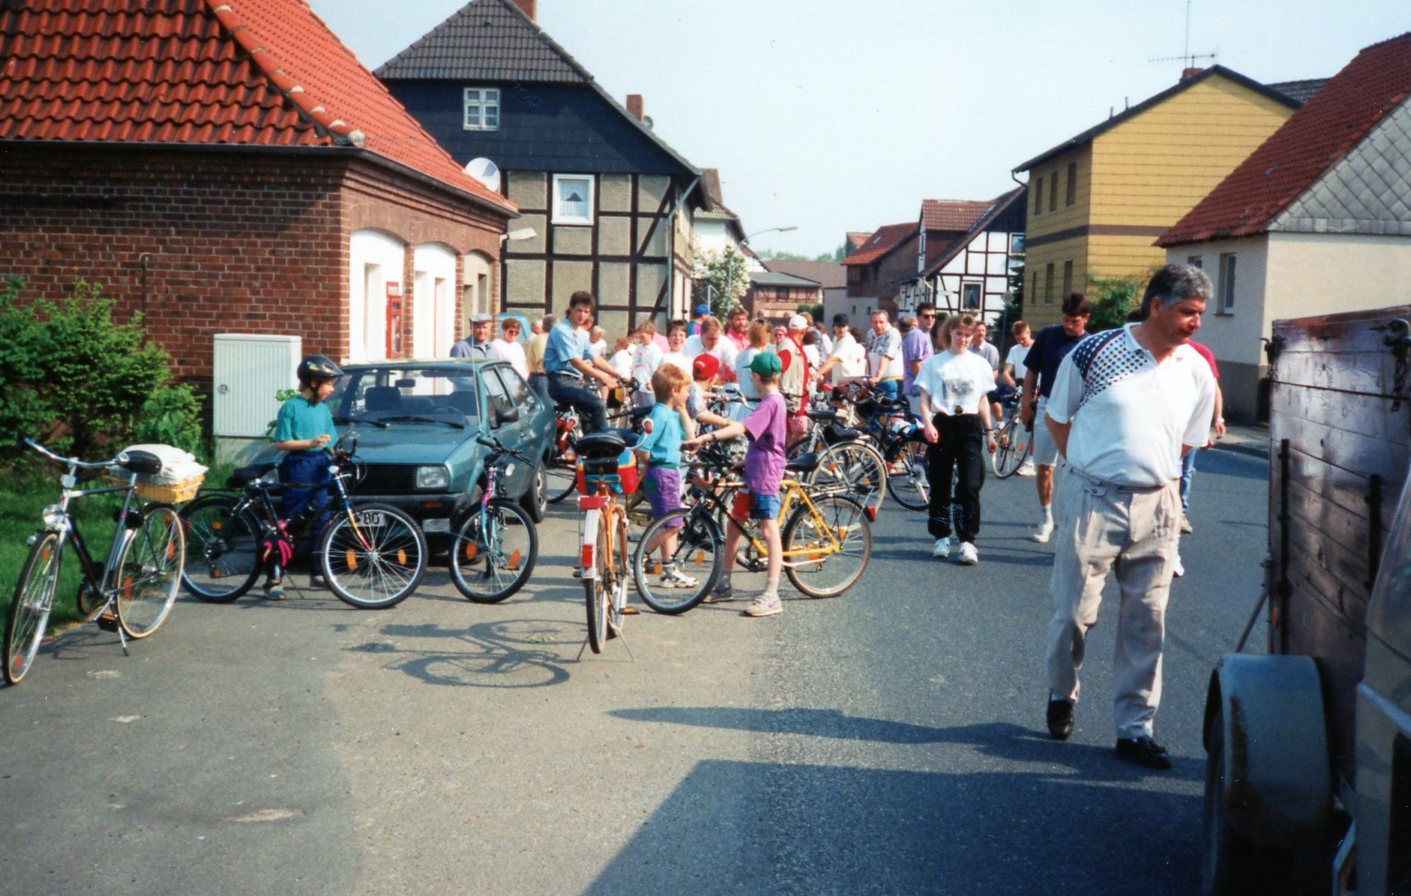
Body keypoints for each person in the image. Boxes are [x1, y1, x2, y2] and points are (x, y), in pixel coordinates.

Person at [1041, 264, 1217, 770]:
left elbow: (1190, 438)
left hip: (1158, 505)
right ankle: (1062, 692)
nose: (1196, 323)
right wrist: (1087, 466)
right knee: (1073, 613)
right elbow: (1057, 417)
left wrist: (1154, 470)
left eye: (1201, 313)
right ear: (1157, 305)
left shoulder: (1196, 368)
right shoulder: (1095, 352)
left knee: (1148, 621)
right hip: (1093, 498)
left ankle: (1135, 728)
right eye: (1188, 312)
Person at [683, 351, 789, 617]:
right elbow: (764, 439)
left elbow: (741, 428)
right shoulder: (771, 400)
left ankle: (772, 593)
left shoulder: (771, 403)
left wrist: (705, 439)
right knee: (735, 523)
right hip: (754, 468)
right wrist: (745, 462)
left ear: (755, 376)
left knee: (768, 528)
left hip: (765, 473)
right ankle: (724, 584)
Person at [915, 314, 998, 565]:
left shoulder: (979, 364)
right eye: (959, 334)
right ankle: (941, 537)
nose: (963, 339)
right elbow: (924, 399)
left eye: (967, 335)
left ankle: (967, 541)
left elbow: (982, 400)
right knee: (940, 483)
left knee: (969, 485)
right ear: (950, 333)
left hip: (970, 426)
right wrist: (928, 424)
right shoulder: (934, 363)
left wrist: (989, 431)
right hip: (943, 424)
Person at [268, 354, 342, 599]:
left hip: (320, 466)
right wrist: (309, 442)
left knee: (323, 519)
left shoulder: (323, 410)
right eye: (329, 383)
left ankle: (318, 573)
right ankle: (274, 578)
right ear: (313, 382)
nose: (332, 389)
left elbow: (330, 440)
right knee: (290, 522)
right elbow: (281, 443)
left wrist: (337, 453)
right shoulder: (291, 407)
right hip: (299, 465)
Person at [1021, 293, 1091, 543]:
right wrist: (1026, 404)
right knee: (1043, 466)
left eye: (1074, 321)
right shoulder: (1049, 335)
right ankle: (1046, 516)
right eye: (1065, 320)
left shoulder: (1090, 344)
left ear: (1086, 319)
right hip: (1048, 405)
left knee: (1077, 468)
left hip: (1078, 411)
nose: (1069, 326)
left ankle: (1070, 518)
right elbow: (1031, 372)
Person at [634, 363, 699, 590]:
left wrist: (682, 410)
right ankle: (638, 558)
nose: (688, 393)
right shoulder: (659, 416)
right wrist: (650, 463)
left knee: (666, 521)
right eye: (686, 390)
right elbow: (643, 447)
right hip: (662, 472)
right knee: (673, 523)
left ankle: (668, 569)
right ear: (674, 391)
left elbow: (691, 441)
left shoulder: (671, 414)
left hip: (669, 472)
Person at [543, 292, 621, 433]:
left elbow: (595, 358)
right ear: (571, 308)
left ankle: (589, 448)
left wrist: (617, 374)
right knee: (598, 405)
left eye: (586, 312)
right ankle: (603, 446)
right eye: (579, 310)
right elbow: (576, 362)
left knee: (590, 419)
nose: (582, 315)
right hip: (560, 382)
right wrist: (602, 377)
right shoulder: (561, 331)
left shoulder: (583, 334)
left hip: (575, 382)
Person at [1002, 321, 1035, 476]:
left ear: (1029, 333)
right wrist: (1010, 379)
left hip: (1035, 387)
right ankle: (1007, 441)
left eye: (1023, 338)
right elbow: (1007, 371)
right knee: (1013, 414)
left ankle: (1031, 460)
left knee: (1033, 424)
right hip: (1020, 384)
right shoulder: (1014, 350)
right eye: (1018, 339)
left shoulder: (1036, 347)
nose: (1021, 342)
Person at [776, 315, 812, 442]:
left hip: (797, 397)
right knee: (796, 432)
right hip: (792, 399)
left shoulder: (794, 346)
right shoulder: (788, 347)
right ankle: (786, 458)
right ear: (802, 331)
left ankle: (788, 456)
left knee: (799, 431)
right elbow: (778, 372)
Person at [814, 313, 866, 386]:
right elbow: (832, 363)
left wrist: (818, 373)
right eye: (838, 326)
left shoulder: (848, 340)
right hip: (837, 383)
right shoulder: (835, 338)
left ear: (848, 327)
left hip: (849, 384)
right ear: (833, 327)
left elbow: (834, 360)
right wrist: (824, 381)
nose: (841, 329)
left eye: (843, 326)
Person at [902, 303, 936, 415]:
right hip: (916, 391)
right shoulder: (917, 335)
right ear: (918, 318)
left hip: (920, 390)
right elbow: (915, 364)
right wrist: (925, 388)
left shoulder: (925, 334)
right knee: (921, 426)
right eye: (926, 316)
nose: (930, 319)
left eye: (933, 316)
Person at [684, 316, 739, 383]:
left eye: (717, 339)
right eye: (711, 339)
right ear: (701, 334)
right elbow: (686, 370)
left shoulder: (725, 343)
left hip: (717, 384)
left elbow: (736, 366)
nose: (714, 343)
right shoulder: (690, 343)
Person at [867, 310, 904, 401]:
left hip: (890, 379)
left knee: (890, 412)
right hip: (875, 381)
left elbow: (886, 356)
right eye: (875, 322)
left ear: (887, 322)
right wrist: (869, 375)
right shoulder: (870, 333)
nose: (878, 325)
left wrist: (878, 376)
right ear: (871, 323)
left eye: (881, 322)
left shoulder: (893, 333)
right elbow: (867, 355)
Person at [629, 321, 665, 407]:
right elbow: (634, 364)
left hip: (647, 389)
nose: (639, 335)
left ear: (650, 334)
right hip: (637, 387)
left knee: (649, 414)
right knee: (636, 413)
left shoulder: (656, 351)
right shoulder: (638, 348)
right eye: (639, 332)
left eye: (642, 332)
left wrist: (652, 383)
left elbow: (658, 370)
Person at [734, 321, 771, 400]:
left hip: (744, 403)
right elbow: (762, 385)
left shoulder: (740, 355)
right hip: (757, 402)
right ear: (766, 335)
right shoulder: (759, 357)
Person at [526, 314, 553, 404]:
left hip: (544, 378)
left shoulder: (547, 338)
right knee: (546, 408)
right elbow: (541, 363)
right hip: (540, 379)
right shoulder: (541, 340)